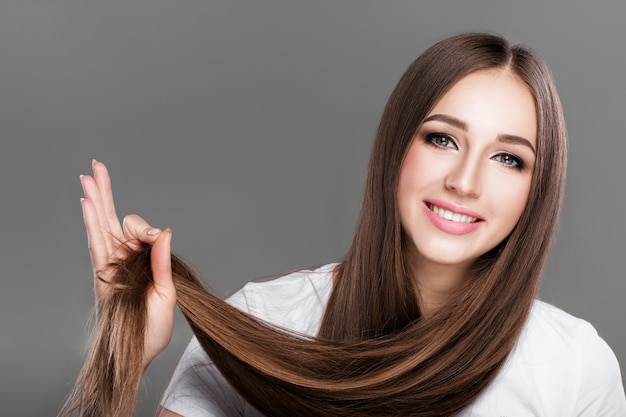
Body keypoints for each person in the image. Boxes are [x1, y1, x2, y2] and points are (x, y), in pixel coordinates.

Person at [64, 32, 626, 417]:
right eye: (442, 139)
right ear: (394, 149)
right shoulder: (258, 323)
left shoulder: (574, 366)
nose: (466, 180)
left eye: (509, 158)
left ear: (538, 187)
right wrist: (126, 353)